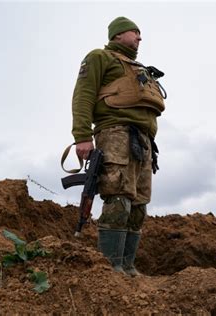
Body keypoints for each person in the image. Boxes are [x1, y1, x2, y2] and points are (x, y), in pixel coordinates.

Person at [70, 17, 165, 276]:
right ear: (118, 34)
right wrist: (81, 136)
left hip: (144, 141)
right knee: (119, 196)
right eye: (135, 32)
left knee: (139, 204)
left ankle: (128, 266)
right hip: (115, 134)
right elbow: (83, 95)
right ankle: (111, 268)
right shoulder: (99, 57)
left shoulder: (138, 68)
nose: (139, 37)